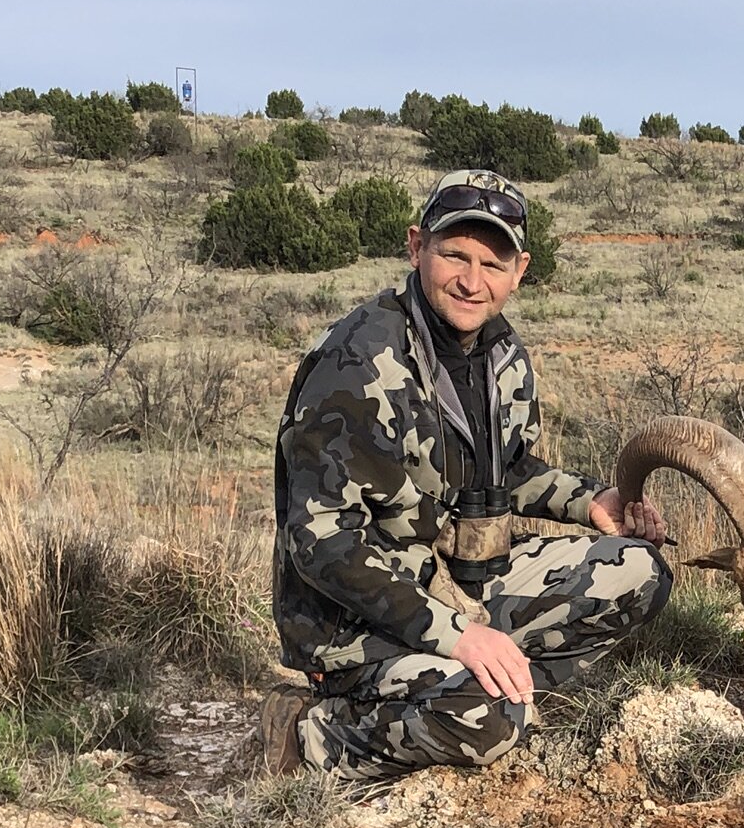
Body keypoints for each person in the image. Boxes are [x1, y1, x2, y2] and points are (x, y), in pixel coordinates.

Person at [264, 168, 672, 785]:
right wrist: (457, 637)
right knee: (491, 719)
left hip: (462, 581)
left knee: (640, 570)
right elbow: (321, 543)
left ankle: (488, 691)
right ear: (416, 246)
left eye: (493, 263)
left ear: (521, 270)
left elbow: (508, 471)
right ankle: (313, 733)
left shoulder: (501, 354)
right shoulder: (359, 361)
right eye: (454, 254)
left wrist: (593, 503)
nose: (472, 282)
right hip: (356, 623)